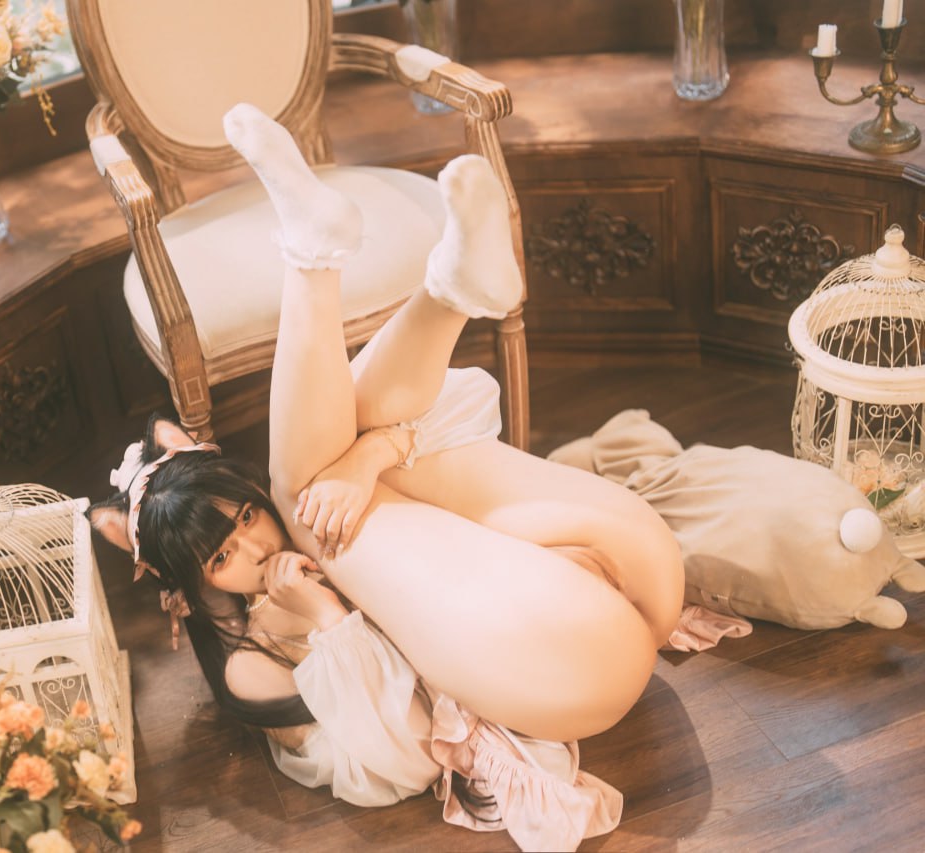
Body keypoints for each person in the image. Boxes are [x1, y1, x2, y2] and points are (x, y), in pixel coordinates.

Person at [90, 104, 685, 851]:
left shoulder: (328, 510)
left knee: (332, 467)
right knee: (306, 487)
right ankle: (417, 283)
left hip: (637, 566)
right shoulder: (248, 667)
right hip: (581, 669)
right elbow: (401, 761)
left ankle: (402, 273)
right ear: (189, 584)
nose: (256, 546)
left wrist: (368, 459)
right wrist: (323, 616)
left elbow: (455, 413)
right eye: (221, 557)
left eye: (244, 517)